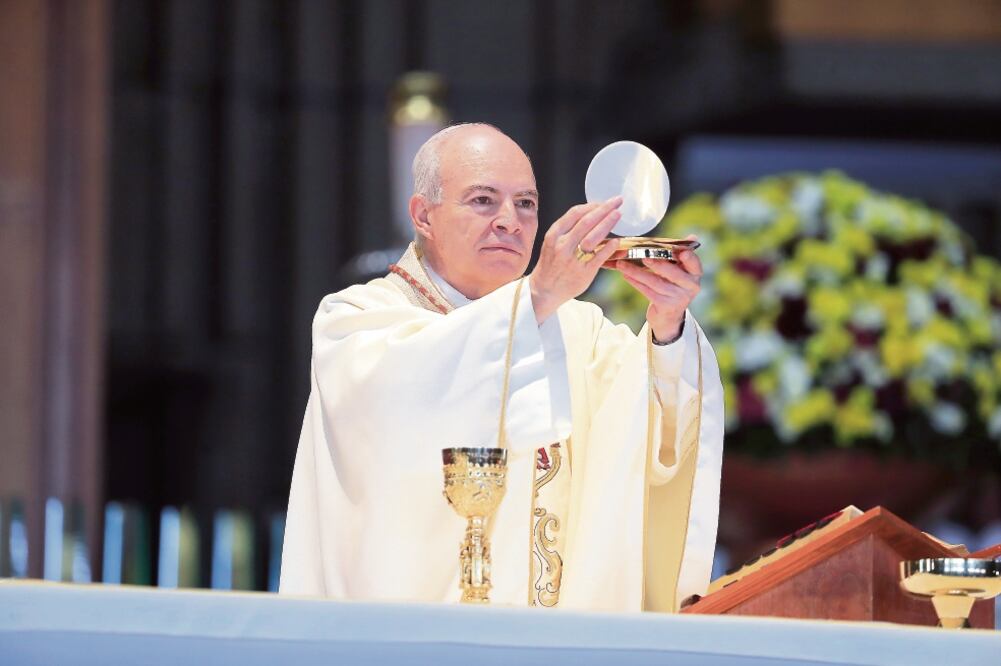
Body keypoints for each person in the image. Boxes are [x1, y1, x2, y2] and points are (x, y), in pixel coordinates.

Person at [279, 123, 724, 612]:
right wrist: (538, 296)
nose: (510, 221)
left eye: (526, 203)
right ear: (423, 215)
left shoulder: (580, 330)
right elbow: (398, 410)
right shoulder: (355, 323)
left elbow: (652, 434)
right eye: (483, 200)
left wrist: (667, 325)